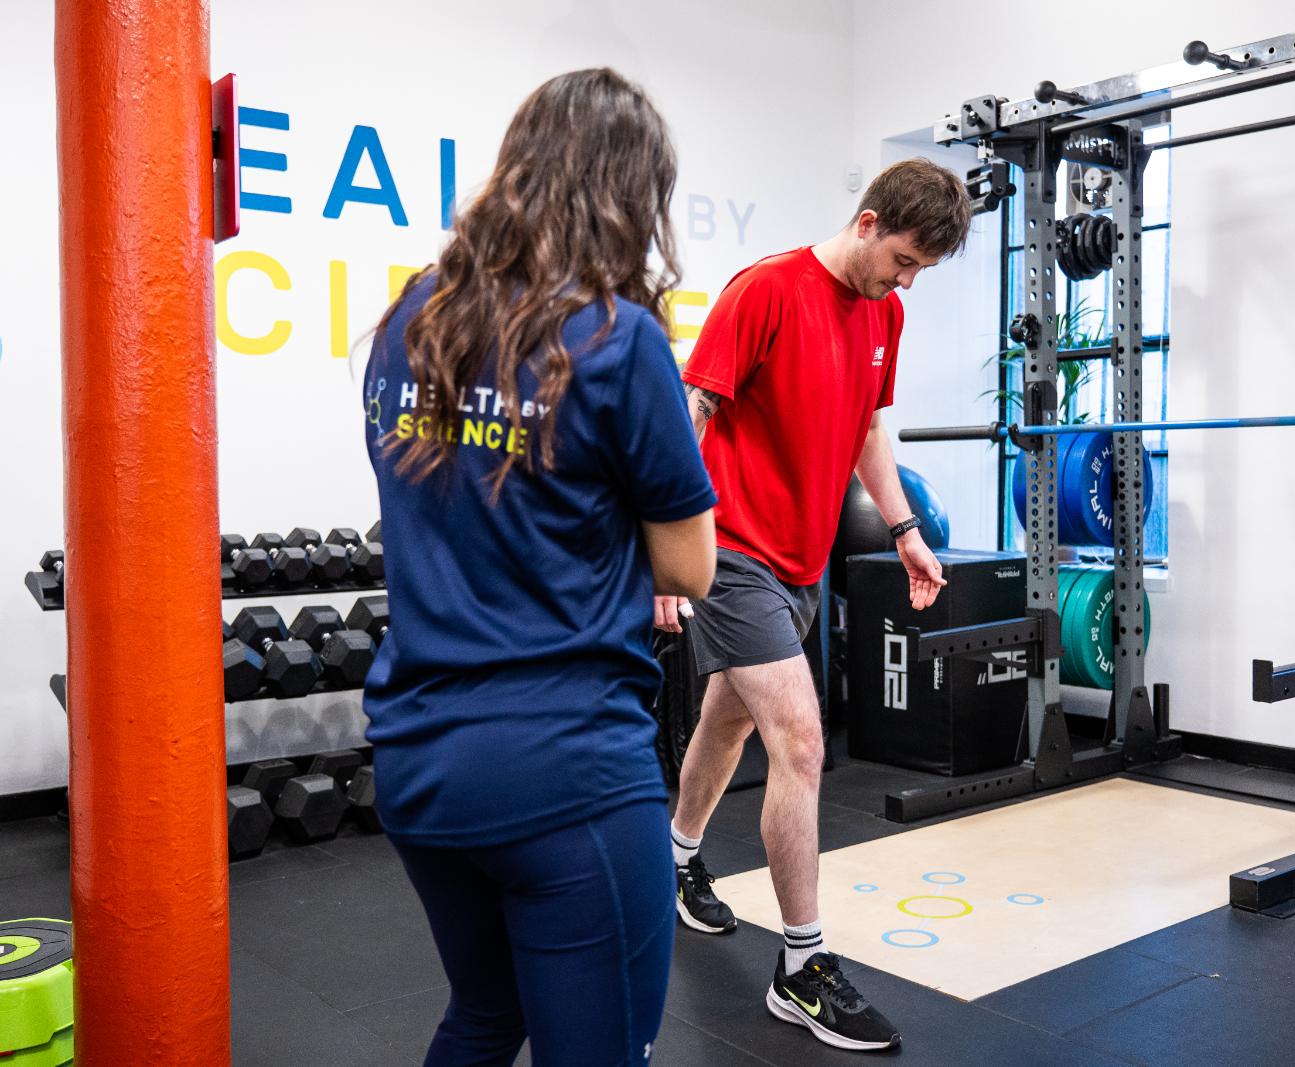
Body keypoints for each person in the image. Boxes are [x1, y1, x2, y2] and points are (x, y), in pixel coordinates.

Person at [361, 68, 716, 1067]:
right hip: (565, 771)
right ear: (630, 196)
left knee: (483, 1014)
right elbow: (689, 565)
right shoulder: (616, 338)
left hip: (417, 757)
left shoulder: (410, 321)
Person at [659, 158, 973, 1051]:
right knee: (800, 739)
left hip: (803, 557)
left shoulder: (886, 312)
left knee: (728, 718)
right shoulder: (765, 290)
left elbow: (868, 425)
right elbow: (691, 416)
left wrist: (905, 528)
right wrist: (664, 559)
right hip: (733, 551)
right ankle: (801, 968)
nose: (906, 282)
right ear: (868, 223)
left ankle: (674, 859)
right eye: (903, 259)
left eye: (921, 270)